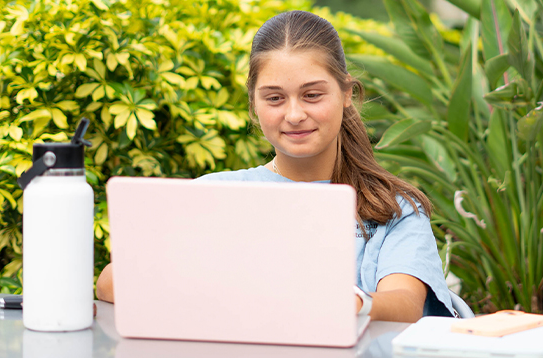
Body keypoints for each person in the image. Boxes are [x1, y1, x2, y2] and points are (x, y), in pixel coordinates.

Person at [96, 10, 454, 322]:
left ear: (347, 94)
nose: (295, 114)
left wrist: (343, 303)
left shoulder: (394, 208)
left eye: (312, 95)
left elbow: (406, 305)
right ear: (254, 104)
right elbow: (111, 284)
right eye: (274, 98)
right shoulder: (214, 195)